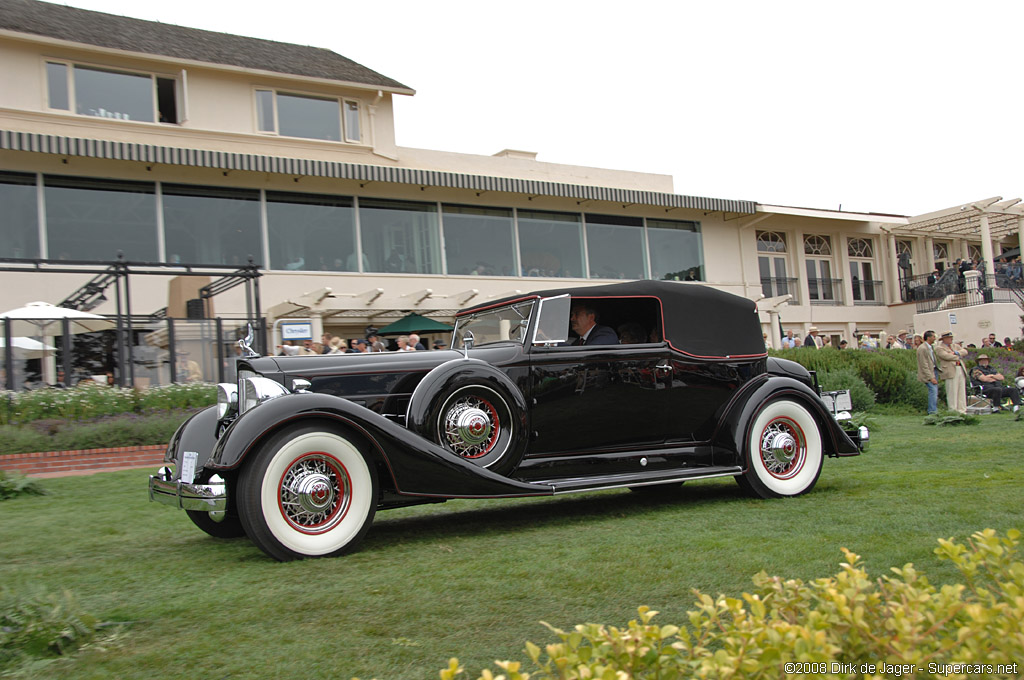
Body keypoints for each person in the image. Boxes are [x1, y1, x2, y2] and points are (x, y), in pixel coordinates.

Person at [934, 331, 968, 414]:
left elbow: (965, 351)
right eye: (949, 338)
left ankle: (962, 410)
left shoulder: (955, 346)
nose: (951, 339)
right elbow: (946, 356)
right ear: (944, 339)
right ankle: (953, 410)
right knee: (952, 390)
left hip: (960, 368)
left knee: (961, 390)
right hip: (950, 370)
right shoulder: (939, 348)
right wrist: (957, 356)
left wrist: (956, 352)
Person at [916, 330, 939, 414]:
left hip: (934, 371)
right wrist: (930, 377)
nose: (935, 338)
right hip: (929, 374)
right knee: (933, 391)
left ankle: (933, 409)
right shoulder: (922, 348)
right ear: (928, 338)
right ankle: (932, 411)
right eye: (933, 336)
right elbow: (924, 364)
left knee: (935, 391)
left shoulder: (930, 347)